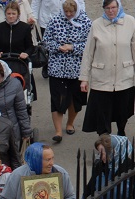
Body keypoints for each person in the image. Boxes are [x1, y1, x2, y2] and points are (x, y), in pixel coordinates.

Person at [79, 0, 135, 135]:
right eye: (107, 8)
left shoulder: (130, 22)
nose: (111, 11)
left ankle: (121, 133)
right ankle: (104, 139)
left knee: (122, 110)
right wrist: (84, 78)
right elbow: (88, 53)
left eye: (113, 7)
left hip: (124, 76)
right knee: (102, 111)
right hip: (102, 78)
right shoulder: (96, 24)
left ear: (119, 7)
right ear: (103, 9)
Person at [42, 0, 91, 141]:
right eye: (66, 11)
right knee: (57, 99)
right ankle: (58, 131)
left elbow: (90, 45)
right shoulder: (55, 21)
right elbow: (46, 40)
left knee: (75, 99)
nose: (68, 14)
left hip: (77, 69)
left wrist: (72, 47)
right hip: (57, 68)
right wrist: (58, 47)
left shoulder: (86, 22)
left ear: (77, 10)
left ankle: (70, 123)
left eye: (71, 12)